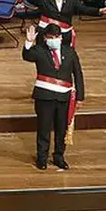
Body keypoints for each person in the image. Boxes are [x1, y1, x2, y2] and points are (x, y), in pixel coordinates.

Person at [23, 24, 84, 170]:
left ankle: (59, 157)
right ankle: (42, 158)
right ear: (45, 38)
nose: (54, 40)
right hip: (45, 96)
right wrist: (29, 42)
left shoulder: (70, 52)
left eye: (56, 37)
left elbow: (78, 74)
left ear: (61, 37)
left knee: (61, 129)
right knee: (44, 128)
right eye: (50, 37)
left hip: (64, 97)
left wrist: (80, 97)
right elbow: (27, 56)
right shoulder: (39, 50)